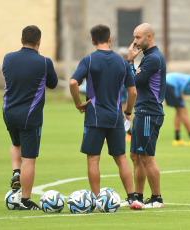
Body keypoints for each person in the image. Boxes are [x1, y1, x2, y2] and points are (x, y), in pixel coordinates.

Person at [69, 24, 138, 207]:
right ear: (110, 39)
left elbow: (73, 82)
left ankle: (96, 198)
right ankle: (131, 196)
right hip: (115, 116)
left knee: (93, 158)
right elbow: (132, 92)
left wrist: (78, 103)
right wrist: (128, 113)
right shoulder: (122, 62)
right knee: (121, 157)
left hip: (94, 116)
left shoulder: (89, 60)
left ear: (92, 41)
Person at [2, 25, 58, 210]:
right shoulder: (44, 61)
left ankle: (16, 172)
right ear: (39, 41)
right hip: (30, 116)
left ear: (21, 40)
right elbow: (53, 83)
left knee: (15, 143)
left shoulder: (8, 58)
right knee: (30, 159)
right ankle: (25, 200)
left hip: (8, 112)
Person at [127, 23, 166, 209]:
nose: (135, 42)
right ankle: (138, 197)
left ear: (149, 37)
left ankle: (157, 198)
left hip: (149, 112)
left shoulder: (153, 58)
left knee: (147, 156)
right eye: (134, 37)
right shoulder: (148, 57)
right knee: (135, 155)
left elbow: (135, 82)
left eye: (138, 37)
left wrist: (129, 62)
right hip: (142, 111)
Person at [118, 47, 132, 142]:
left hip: (124, 92)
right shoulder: (121, 64)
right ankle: (127, 132)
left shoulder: (126, 65)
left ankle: (128, 133)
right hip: (119, 92)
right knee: (123, 113)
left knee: (125, 113)